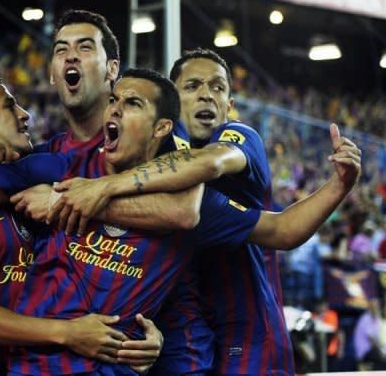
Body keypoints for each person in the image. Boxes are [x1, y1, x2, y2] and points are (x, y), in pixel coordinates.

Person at [45, 49, 361, 376]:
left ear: (230, 106)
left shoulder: (238, 140)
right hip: (185, 340)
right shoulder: (142, 169)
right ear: (169, 103)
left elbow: (218, 177)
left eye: (218, 88)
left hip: (247, 338)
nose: (207, 95)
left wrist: (102, 189)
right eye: (193, 86)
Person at [0, 71, 161, 375]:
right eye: (10, 107)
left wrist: (143, 340)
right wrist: (66, 332)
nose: (26, 115)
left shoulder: (47, 169)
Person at [353, 298, 386, 370]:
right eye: (374, 306)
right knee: (381, 360)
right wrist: (381, 353)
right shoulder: (366, 318)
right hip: (364, 352)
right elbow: (372, 340)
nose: (376, 308)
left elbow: (378, 339)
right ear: (369, 307)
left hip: (372, 350)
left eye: (377, 306)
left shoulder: (376, 319)